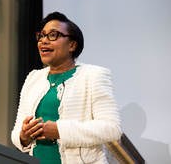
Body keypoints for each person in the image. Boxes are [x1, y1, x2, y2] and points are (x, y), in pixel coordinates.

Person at [11, 12, 122, 164]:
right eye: (41, 35)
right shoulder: (33, 78)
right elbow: (17, 131)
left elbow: (112, 128)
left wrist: (60, 130)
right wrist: (24, 136)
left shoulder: (93, 75)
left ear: (72, 45)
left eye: (53, 35)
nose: (44, 41)